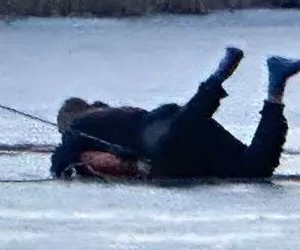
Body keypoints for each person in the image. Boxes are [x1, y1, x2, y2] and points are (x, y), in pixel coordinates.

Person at [52, 48, 300, 180]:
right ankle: (275, 85)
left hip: (159, 138)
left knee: (179, 131)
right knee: (254, 167)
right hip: (173, 127)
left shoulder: (78, 127)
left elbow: (60, 161)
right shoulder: (106, 116)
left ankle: (223, 77)